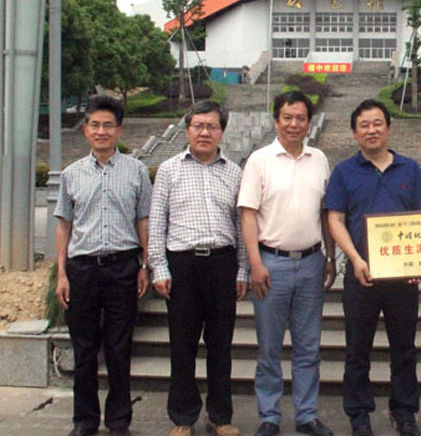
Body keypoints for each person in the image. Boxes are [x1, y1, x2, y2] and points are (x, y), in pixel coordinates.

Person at [325, 99, 421, 436]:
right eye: (364, 125)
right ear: (355, 133)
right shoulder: (344, 172)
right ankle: (359, 415)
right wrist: (355, 259)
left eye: (377, 123)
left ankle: (404, 412)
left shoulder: (410, 169)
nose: (372, 130)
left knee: (405, 348)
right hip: (361, 275)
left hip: (402, 276)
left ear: (388, 128)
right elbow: (335, 219)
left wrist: (419, 264)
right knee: (357, 349)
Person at [238, 92, 336, 436]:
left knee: (308, 347)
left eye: (300, 118)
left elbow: (325, 213)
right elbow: (248, 215)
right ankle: (269, 415)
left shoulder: (319, 159)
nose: (294, 124)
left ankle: (307, 415)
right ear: (276, 121)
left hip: (311, 263)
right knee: (269, 347)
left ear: (309, 123)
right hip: (271, 264)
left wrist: (330, 257)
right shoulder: (260, 160)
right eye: (287, 117)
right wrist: (255, 263)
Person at [149, 100, 248, 436]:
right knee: (182, 345)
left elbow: (241, 226)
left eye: (212, 126)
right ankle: (183, 417)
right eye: (198, 126)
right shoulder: (169, 170)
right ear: (187, 129)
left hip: (222, 263)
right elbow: (157, 222)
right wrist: (159, 267)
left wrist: (242, 270)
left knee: (221, 346)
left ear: (222, 131)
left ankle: (220, 416)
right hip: (182, 266)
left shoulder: (234, 172)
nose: (205, 132)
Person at [55, 95, 152, 436]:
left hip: (123, 268)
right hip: (82, 269)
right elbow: (64, 226)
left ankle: (119, 421)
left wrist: (145, 265)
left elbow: (144, 220)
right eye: (95, 125)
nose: (101, 131)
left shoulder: (137, 172)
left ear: (119, 130)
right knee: (84, 349)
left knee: (119, 347)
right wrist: (62, 273)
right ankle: (84, 421)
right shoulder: (71, 174)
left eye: (108, 125)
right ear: (85, 130)